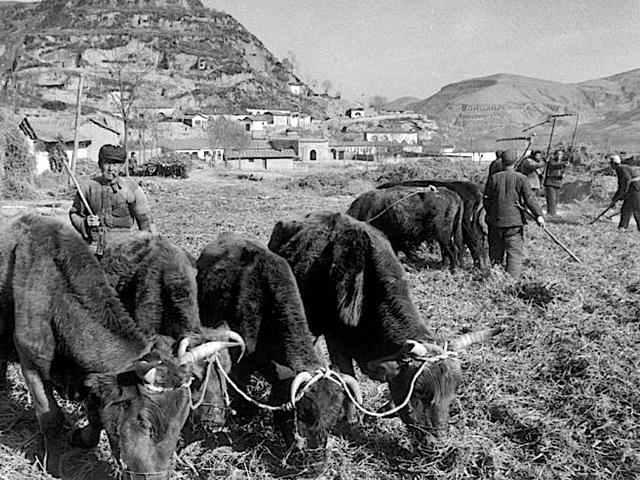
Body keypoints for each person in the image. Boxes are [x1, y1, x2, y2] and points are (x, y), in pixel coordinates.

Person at [69, 144, 153, 256]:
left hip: (124, 251)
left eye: (115, 164)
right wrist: (85, 222)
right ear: (100, 164)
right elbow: (75, 214)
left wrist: (147, 249)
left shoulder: (132, 188)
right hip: (94, 249)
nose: (110, 169)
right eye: (107, 163)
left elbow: (145, 222)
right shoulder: (88, 187)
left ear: (122, 166)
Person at [483, 149, 545, 277]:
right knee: (514, 252)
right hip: (514, 223)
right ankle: (512, 280)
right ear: (515, 162)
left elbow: (487, 200)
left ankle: (496, 275)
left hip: (495, 222)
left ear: (502, 161)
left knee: (495, 250)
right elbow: (530, 199)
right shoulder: (521, 178)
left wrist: (491, 213)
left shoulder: (494, 178)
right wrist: (539, 216)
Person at [609, 154, 640, 230]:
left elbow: (627, 181)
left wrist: (623, 194)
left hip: (635, 189)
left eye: (611, 163)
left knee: (636, 209)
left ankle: (623, 227)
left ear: (613, 163)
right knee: (627, 209)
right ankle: (622, 227)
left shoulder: (621, 169)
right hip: (633, 189)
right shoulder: (623, 167)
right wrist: (616, 198)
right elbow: (621, 186)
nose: (610, 165)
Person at [543, 149, 568, 216]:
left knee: (556, 200)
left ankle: (552, 213)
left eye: (561, 154)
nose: (559, 156)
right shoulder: (550, 162)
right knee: (551, 199)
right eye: (558, 154)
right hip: (550, 182)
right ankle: (551, 214)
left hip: (558, 183)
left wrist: (562, 175)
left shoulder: (562, 163)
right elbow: (553, 167)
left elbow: (562, 172)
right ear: (555, 155)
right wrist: (563, 165)